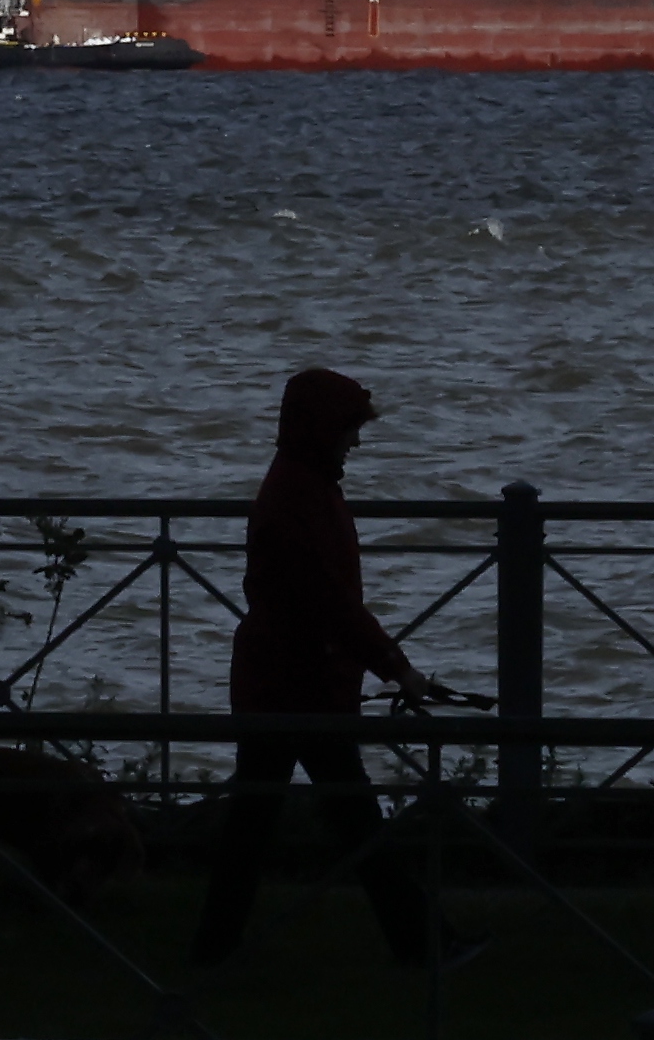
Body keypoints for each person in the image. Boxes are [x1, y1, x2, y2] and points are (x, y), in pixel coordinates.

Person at [190, 366, 469, 970]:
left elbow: (328, 601)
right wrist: (399, 669)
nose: (356, 441)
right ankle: (427, 947)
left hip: (287, 682)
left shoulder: (305, 485)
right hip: (299, 687)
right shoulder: (303, 496)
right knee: (346, 822)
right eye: (349, 429)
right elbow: (333, 603)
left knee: (269, 824)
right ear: (323, 429)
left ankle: (214, 951)